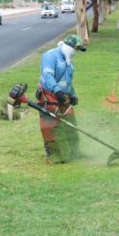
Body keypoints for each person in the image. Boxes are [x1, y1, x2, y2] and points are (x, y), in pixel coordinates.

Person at [38, 34, 85, 163]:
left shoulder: (69, 63)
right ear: (68, 46)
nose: (75, 52)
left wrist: (73, 94)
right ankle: (55, 156)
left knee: (71, 124)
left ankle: (75, 152)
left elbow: (68, 82)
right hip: (48, 96)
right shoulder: (50, 56)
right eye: (75, 49)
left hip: (63, 96)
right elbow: (47, 75)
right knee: (51, 126)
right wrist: (57, 90)